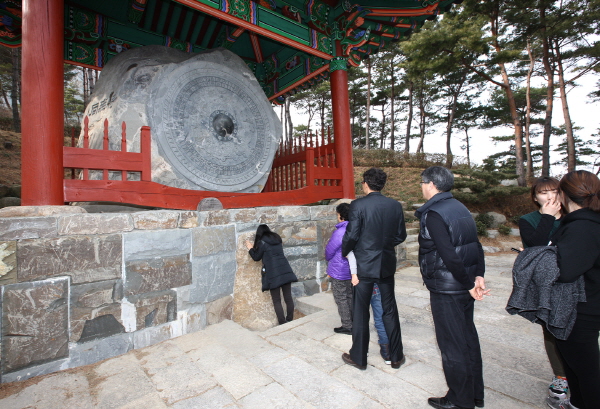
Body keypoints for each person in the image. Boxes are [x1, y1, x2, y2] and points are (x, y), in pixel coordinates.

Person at [415, 166, 487, 409]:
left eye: (423, 183)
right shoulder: (460, 207)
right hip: (463, 284)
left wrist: (469, 283)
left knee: (452, 345)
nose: (422, 187)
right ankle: (474, 395)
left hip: (448, 288)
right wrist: (478, 276)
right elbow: (476, 245)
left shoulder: (434, 213)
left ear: (431, 184)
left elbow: (448, 254)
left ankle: (459, 400)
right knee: (467, 339)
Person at [340, 167, 407, 370]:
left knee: (360, 312)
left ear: (366, 183)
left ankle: (359, 358)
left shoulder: (358, 205)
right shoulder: (395, 205)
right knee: (389, 310)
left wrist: (346, 251)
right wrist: (383, 245)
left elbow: (352, 235)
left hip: (364, 265)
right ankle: (395, 356)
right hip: (385, 264)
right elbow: (400, 235)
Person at [550, 170, 600, 409]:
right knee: (574, 366)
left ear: (563, 194)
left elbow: (566, 270)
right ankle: (577, 403)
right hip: (585, 305)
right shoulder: (588, 222)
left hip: (581, 310)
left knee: (587, 371)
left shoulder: (582, 227)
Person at [518, 177, 569, 408]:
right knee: (550, 328)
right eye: (543, 192)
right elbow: (535, 246)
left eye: (554, 191)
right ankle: (561, 376)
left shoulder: (573, 216)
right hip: (546, 283)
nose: (549, 196)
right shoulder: (528, 220)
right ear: (535, 197)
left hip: (574, 279)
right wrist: (548, 217)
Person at [245, 224, 298, 325]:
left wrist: (250, 248)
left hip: (274, 274)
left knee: (276, 300)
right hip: (285, 270)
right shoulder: (277, 238)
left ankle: (282, 323)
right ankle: (290, 319)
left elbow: (256, 257)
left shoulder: (262, 242)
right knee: (288, 297)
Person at [325, 202, 354, 335]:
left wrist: (327, 258)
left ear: (341, 215)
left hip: (339, 269)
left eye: (337, 214)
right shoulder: (355, 228)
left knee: (341, 297)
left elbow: (330, 250)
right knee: (350, 296)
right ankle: (353, 322)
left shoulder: (340, 232)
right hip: (351, 270)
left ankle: (347, 325)